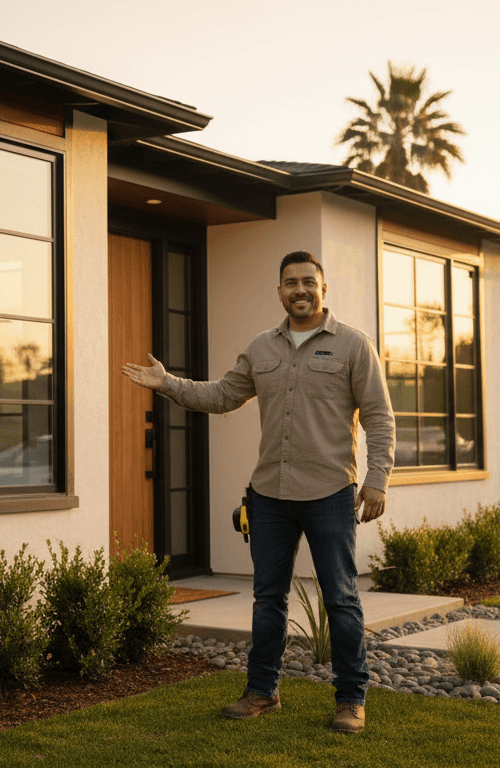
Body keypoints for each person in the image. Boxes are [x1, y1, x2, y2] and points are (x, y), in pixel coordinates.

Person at [122, 251, 394, 734]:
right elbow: (222, 396)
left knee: (342, 600)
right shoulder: (261, 348)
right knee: (268, 600)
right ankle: (262, 693)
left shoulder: (354, 346)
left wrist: (377, 480)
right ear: (280, 291)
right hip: (269, 495)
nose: (300, 290)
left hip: (331, 493)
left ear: (323, 289)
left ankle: (352, 699)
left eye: (309, 282)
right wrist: (167, 384)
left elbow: (378, 416)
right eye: (291, 282)